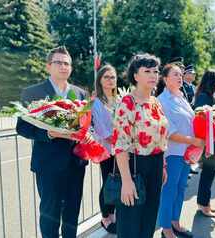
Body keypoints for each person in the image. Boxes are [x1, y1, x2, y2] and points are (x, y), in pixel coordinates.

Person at [16, 46, 88, 238]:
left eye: (67, 63)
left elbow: (88, 124)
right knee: (50, 213)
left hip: (76, 163)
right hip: (48, 164)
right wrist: (48, 133)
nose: (64, 67)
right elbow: (22, 127)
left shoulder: (80, 94)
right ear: (49, 66)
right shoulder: (33, 92)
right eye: (59, 62)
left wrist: (87, 135)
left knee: (72, 211)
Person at [112, 53, 168, 238]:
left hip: (156, 164)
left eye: (156, 71)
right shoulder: (127, 103)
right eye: (147, 71)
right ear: (136, 76)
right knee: (130, 224)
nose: (153, 75)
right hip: (135, 166)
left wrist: (163, 166)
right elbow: (120, 145)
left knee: (149, 220)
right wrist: (126, 182)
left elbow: (160, 137)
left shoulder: (155, 102)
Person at [157, 64, 204, 238]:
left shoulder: (182, 98)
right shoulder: (162, 101)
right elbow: (169, 131)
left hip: (187, 152)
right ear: (165, 78)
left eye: (180, 75)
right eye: (175, 74)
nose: (179, 77)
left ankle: (175, 222)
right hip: (173, 152)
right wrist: (193, 140)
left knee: (181, 188)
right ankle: (165, 228)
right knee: (169, 189)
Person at [193, 70, 215, 218]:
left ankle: (205, 204)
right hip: (210, 143)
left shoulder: (211, 95)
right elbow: (201, 118)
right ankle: (203, 205)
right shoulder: (203, 97)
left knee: (210, 174)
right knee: (207, 174)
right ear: (213, 81)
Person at [91, 64, 118, 234]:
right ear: (100, 80)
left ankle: (115, 213)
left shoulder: (121, 100)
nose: (110, 80)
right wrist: (118, 139)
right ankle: (106, 216)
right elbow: (101, 130)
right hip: (107, 149)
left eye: (113, 77)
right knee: (109, 181)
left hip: (122, 149)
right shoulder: (96, 102)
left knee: (119, 181)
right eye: (106, 77)